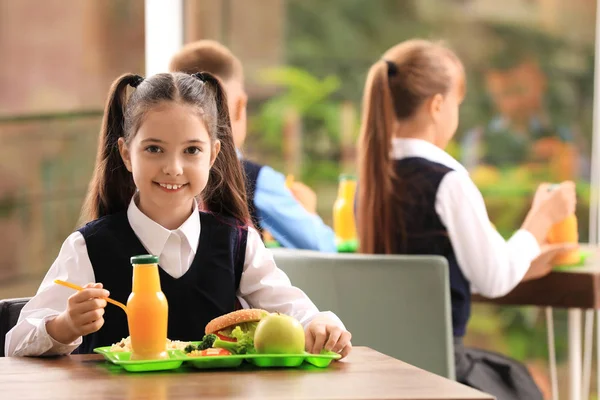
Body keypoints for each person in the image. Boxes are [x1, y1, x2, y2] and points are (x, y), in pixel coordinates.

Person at [5, 71, 351, 358]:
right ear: (126, 154)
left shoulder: (238, 243)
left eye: (191, 151)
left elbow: (294, 311)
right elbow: (15, 344)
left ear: (213, 154)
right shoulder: (88, 246)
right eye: (154, 149)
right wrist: (63, 326)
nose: (173, 168)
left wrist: (322, 323)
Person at [355, 39, 576, 400]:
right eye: (457, 103)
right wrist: (541, 219)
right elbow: (495, 279)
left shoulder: (372, 181)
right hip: (441, 372)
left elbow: (416, 276)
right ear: (438, 105)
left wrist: (521, 262)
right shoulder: (447, 180)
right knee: (530, 381)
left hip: (385, 371)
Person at [168, 40, 336, 252]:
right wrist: (308, 211)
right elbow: (324, 248)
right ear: (240, 106)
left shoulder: (149, 179)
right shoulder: (256, 181)